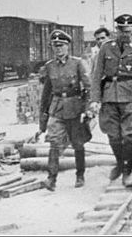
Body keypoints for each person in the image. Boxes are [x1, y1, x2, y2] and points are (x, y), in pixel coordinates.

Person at [90, 14, 132, 188]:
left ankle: (126, 172)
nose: (125, 34)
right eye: (122, 30)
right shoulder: (106, 48)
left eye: (128, 30)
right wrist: (95, 99)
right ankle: (120, 162)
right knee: (113, 135)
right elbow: (96, 76)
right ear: (116, 30)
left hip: (131, 95)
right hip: (109, 95)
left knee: (129, 135)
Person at [38, 29, 92, 191]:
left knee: (77, 143)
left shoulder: (78, 63)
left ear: (68, 46)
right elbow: (46, 93)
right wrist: (43, 116)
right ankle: (51, 178)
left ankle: (80, 174)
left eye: (61, 45)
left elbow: (89, 88)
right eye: (55, 46)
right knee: (54, 142)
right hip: (57, 108)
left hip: (75, 107)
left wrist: (87, 109)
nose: (58, 49)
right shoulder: (49, 66)